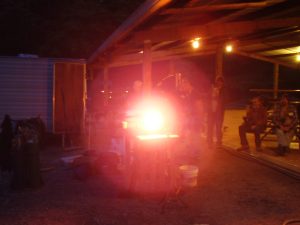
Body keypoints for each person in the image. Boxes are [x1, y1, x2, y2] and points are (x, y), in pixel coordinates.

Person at [207, 76, 226, 147]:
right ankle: (210, 141)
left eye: (220, 82)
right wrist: (212, 95)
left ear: (222, 83)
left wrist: (218, 96)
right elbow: (207, 97)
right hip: (211, 111)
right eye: (217, 81)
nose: (218, 83)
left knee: (218, 127)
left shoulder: (224, 90)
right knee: (210, 127)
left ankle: (219, 142)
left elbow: (225, 100)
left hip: (219, 112)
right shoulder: (212, 89)